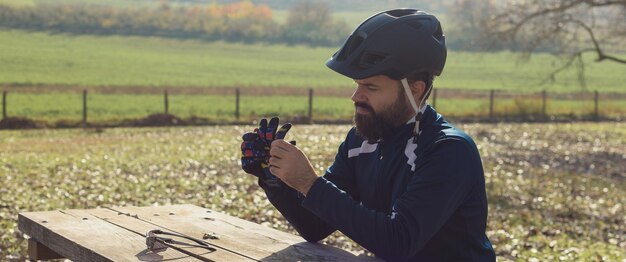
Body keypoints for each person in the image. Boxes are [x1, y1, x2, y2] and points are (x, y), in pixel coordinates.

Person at [240, 9, 496, 261]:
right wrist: (274, 177)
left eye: (370, 87)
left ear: (416, 91)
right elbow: (315, 226)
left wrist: (310, 183)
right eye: (357, 84)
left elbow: (398, 242)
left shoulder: (449, 151)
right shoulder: (362, 140)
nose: (356, 97)